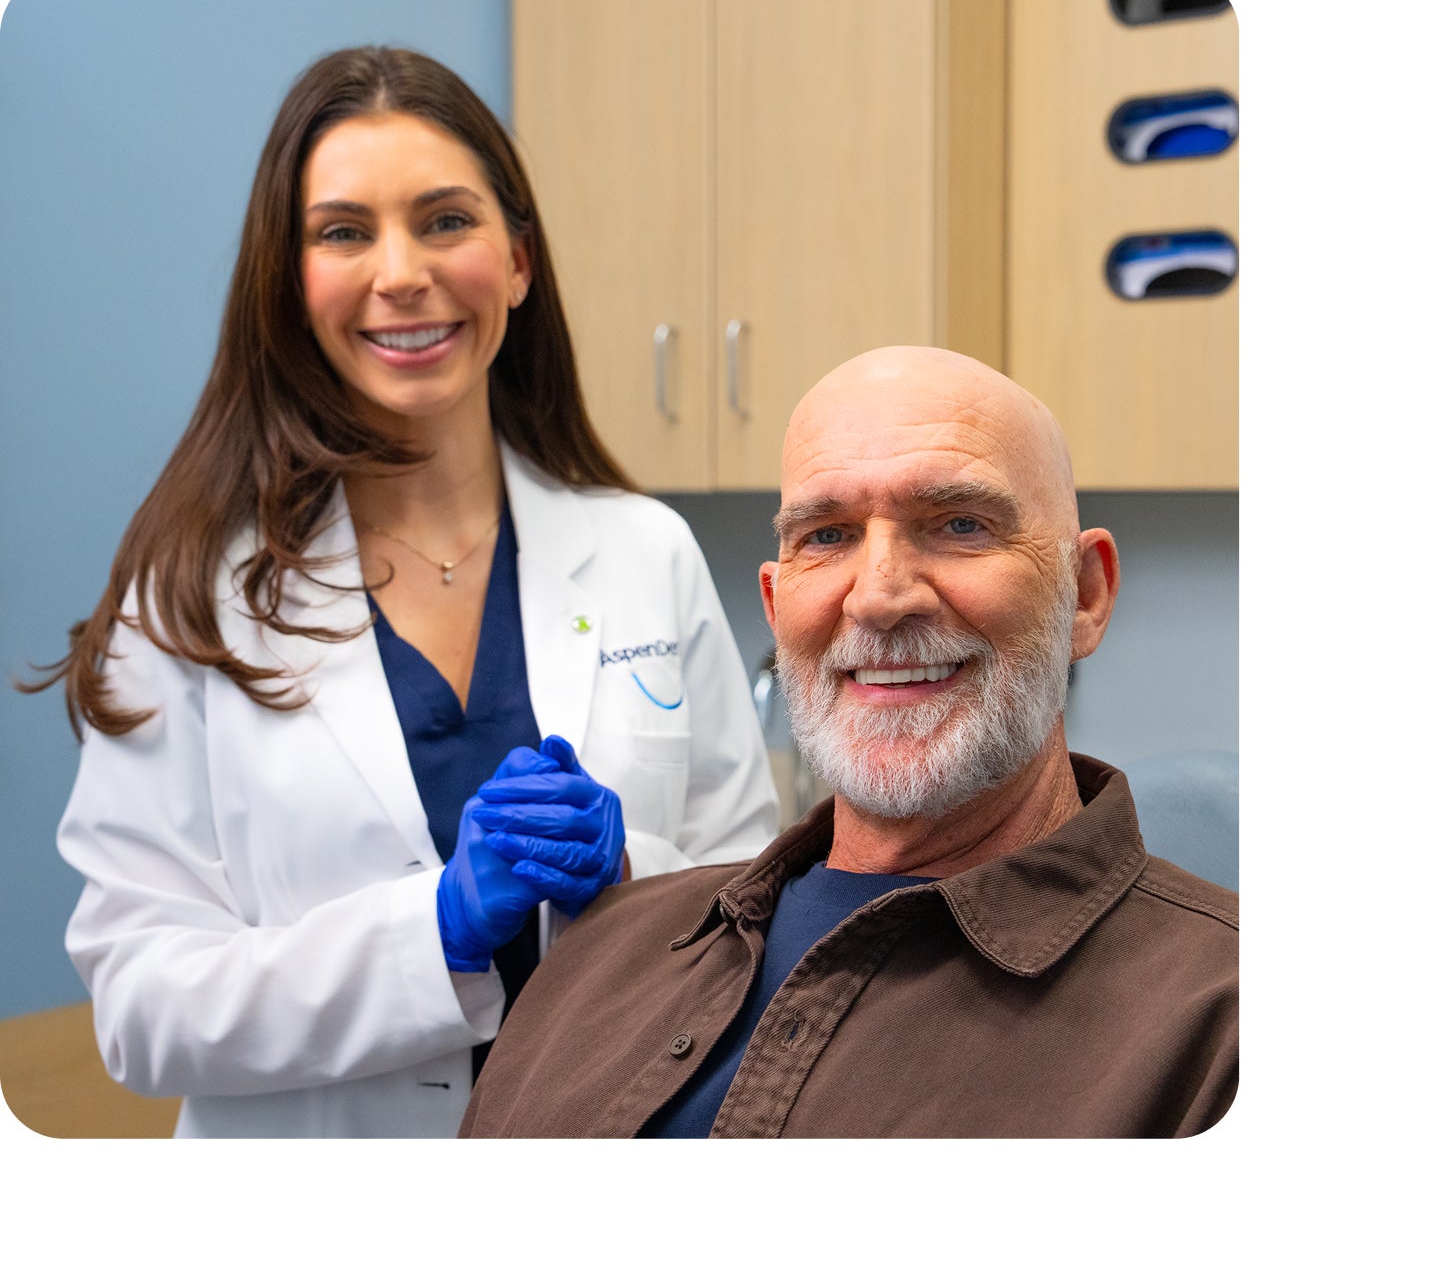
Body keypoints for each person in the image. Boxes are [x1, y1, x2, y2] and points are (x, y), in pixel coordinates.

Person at [38, 46, 779, 1138]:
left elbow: (752, 914)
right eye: (345, 231)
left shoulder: (644, 554)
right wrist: (434, 929)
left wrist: (630, 870)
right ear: (290, 283)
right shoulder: (188, 594)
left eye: (445, 221)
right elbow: (141, 1005)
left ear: (518, 261)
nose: (402, 272)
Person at [457, 346, 1238, 1139]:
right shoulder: (596, 959)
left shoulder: (1224, 1031)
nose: (878, 597)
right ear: (774, 604)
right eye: (827, 536)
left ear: (1087, 594)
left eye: (960, 525)